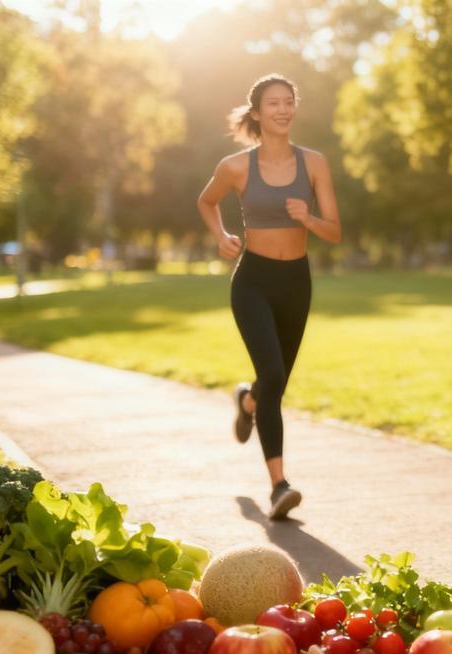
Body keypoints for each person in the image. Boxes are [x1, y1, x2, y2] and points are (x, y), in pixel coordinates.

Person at [196, 74, 341, 519]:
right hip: (253, 281)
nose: (282, 109)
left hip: (296, 280)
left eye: (289, 101)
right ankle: (279, 485)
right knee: (274, 375)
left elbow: (334, 232)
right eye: (273, 103)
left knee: (273, 382)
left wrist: (308, 218)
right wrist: (221, 235)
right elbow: (207, 201)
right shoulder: (236, 166)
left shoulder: (314, 163)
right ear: (257, 113)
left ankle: (248, 400)